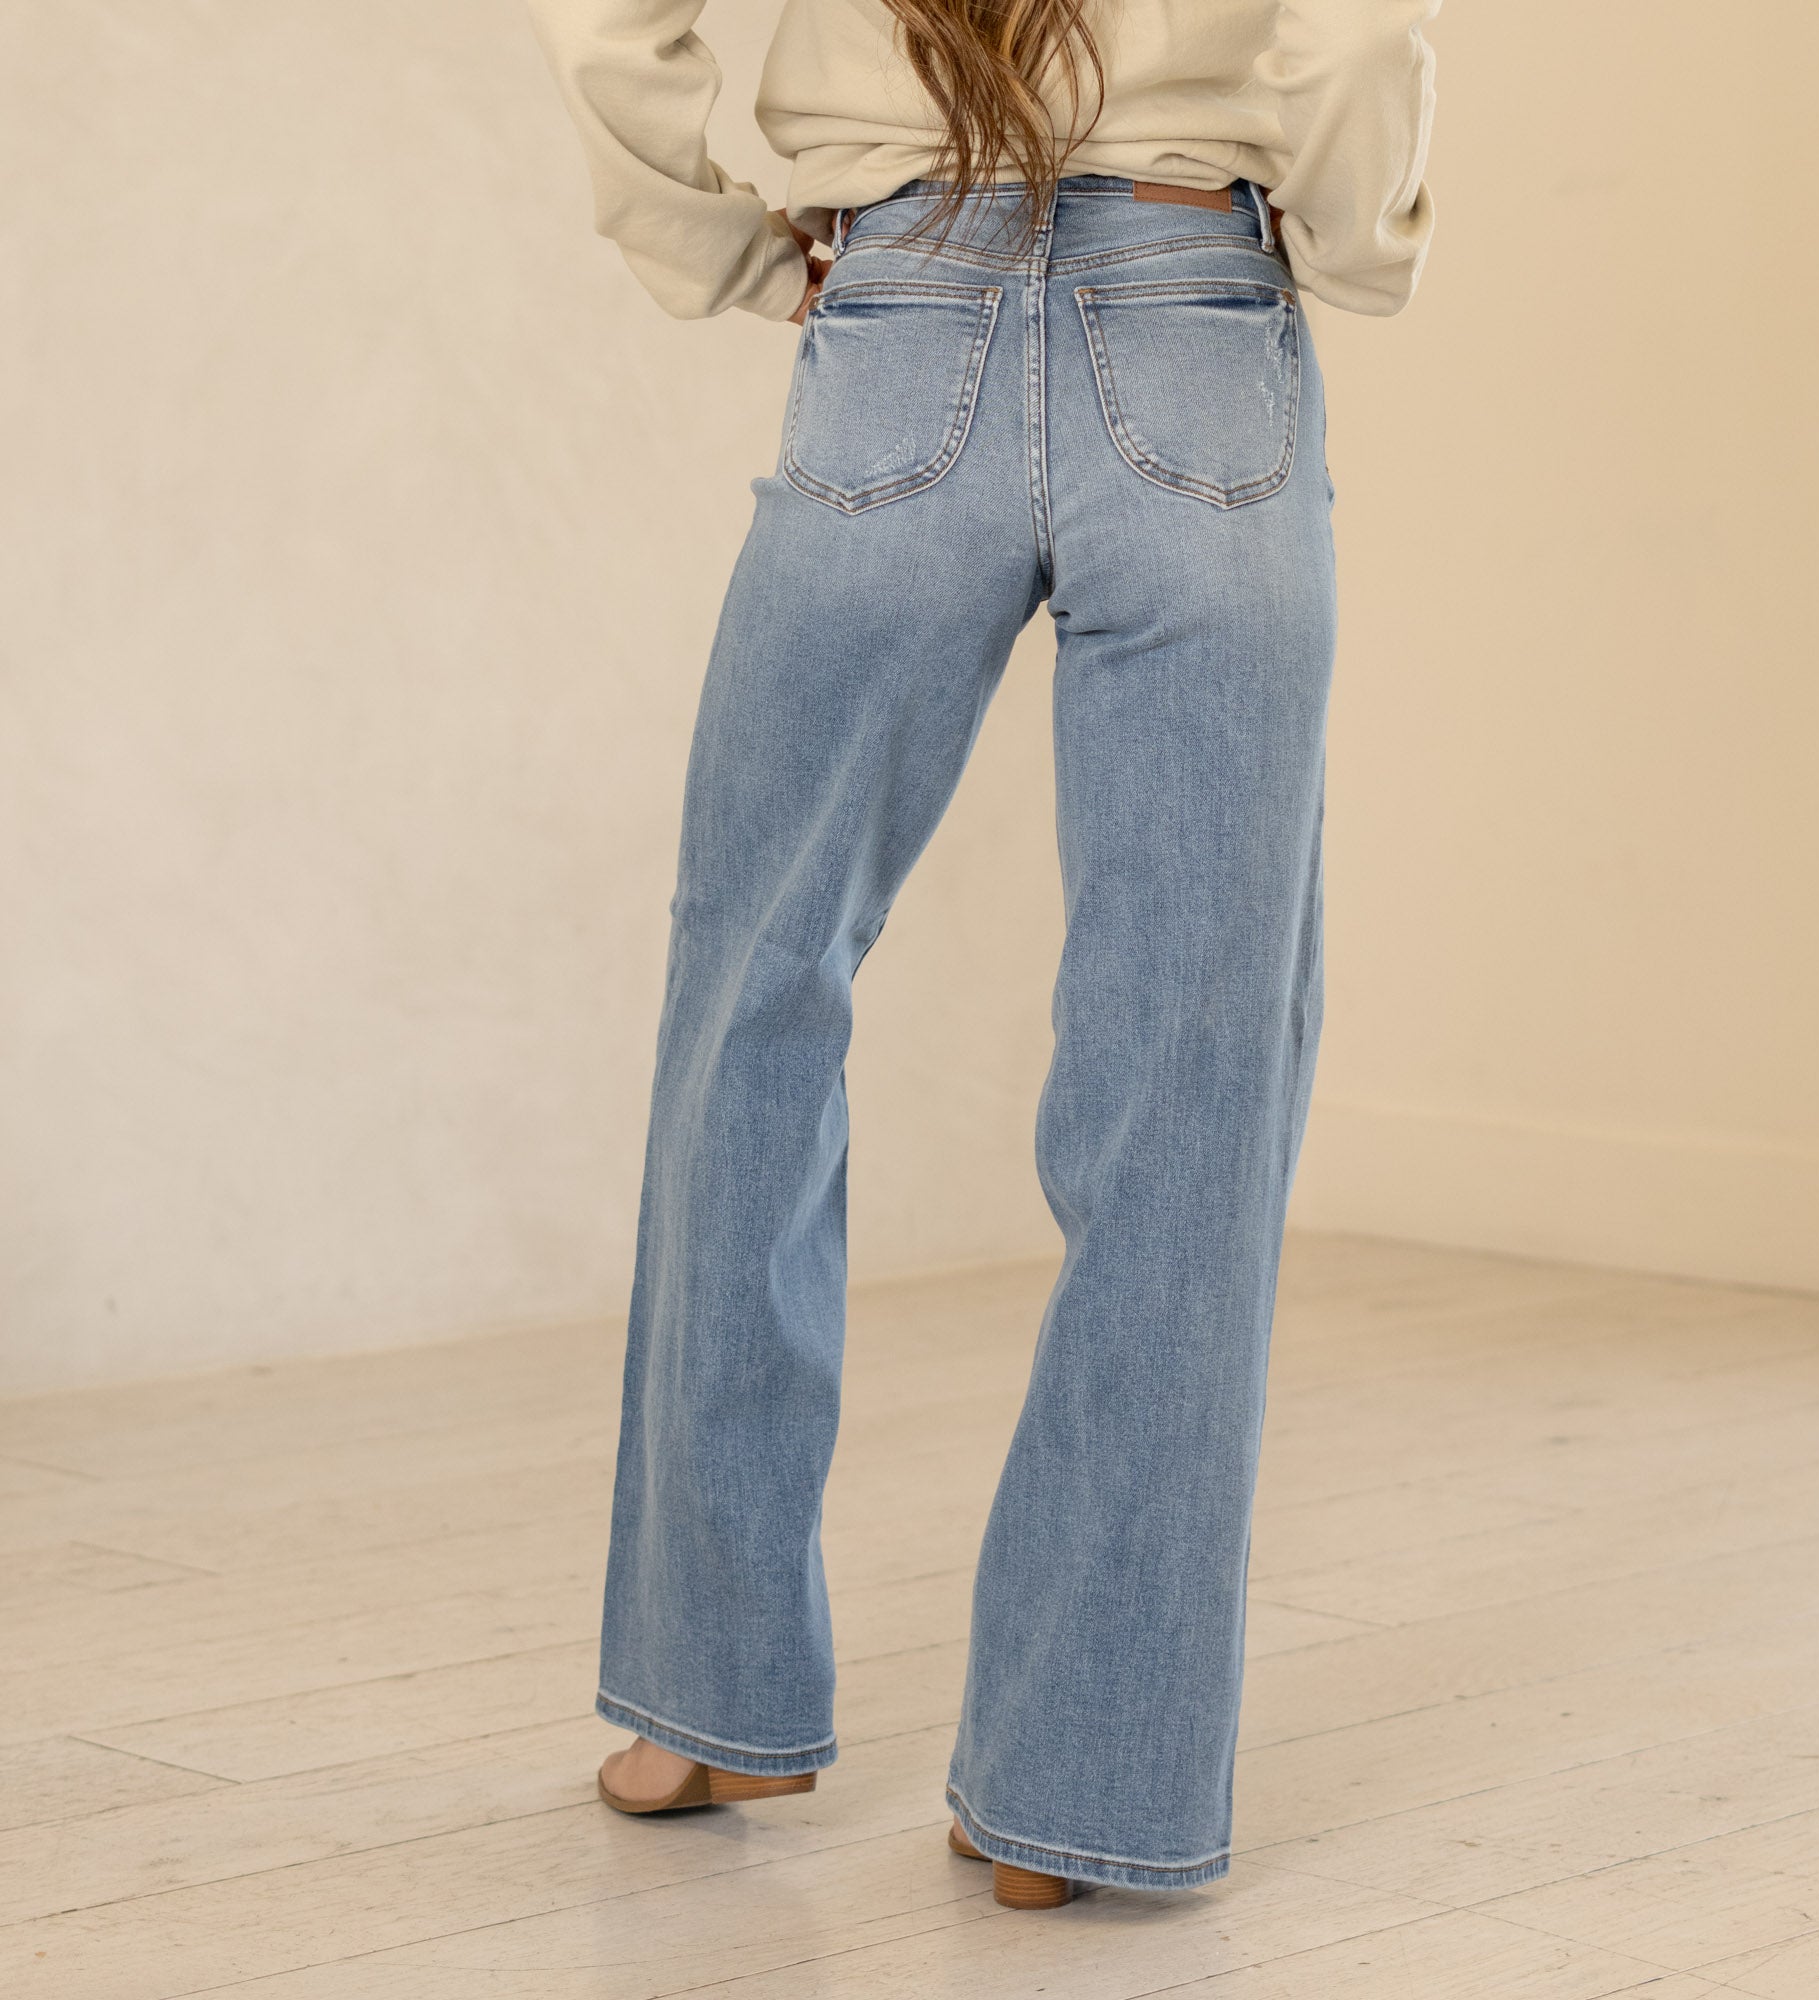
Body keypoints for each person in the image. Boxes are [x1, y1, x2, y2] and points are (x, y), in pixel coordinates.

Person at [524, 0, 1440, 1910]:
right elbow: (1355, 31)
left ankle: (706, 1701)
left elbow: (608, 18)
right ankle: (1073, 1796)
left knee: (755, 996)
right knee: (1189, 1074)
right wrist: (1355, 237)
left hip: (901, 319)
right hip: (1198, 327)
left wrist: (716, 243)